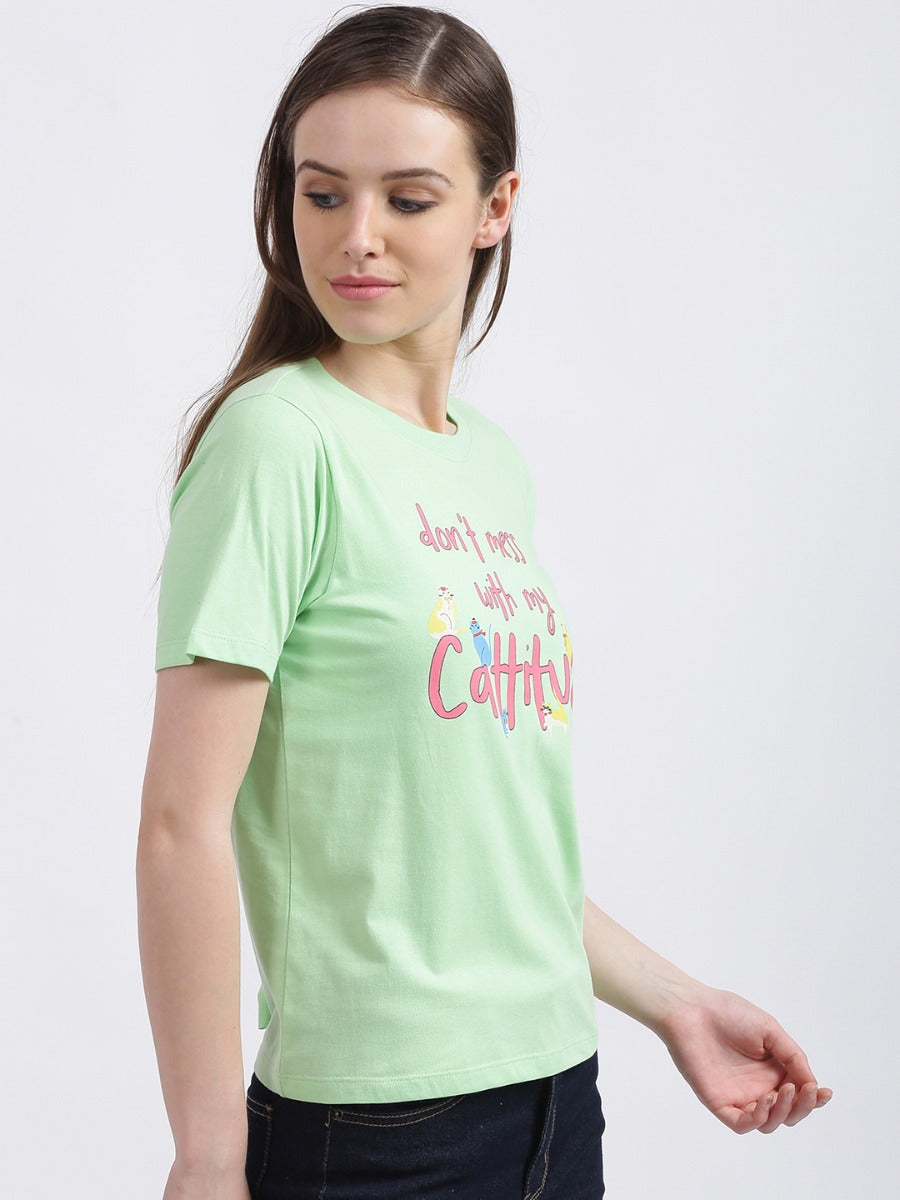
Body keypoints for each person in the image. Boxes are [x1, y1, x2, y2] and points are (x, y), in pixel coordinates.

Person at [136, 6, 832, 1199]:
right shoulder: (278, 439)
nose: (356, 237)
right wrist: (207, 1158)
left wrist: (677, 1002)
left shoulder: (489, 463)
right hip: (379, 1131)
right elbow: (179, 824)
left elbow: (484, 844)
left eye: (409, 199)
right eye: (321, 194)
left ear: (494, 207)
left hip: (557, 1096)